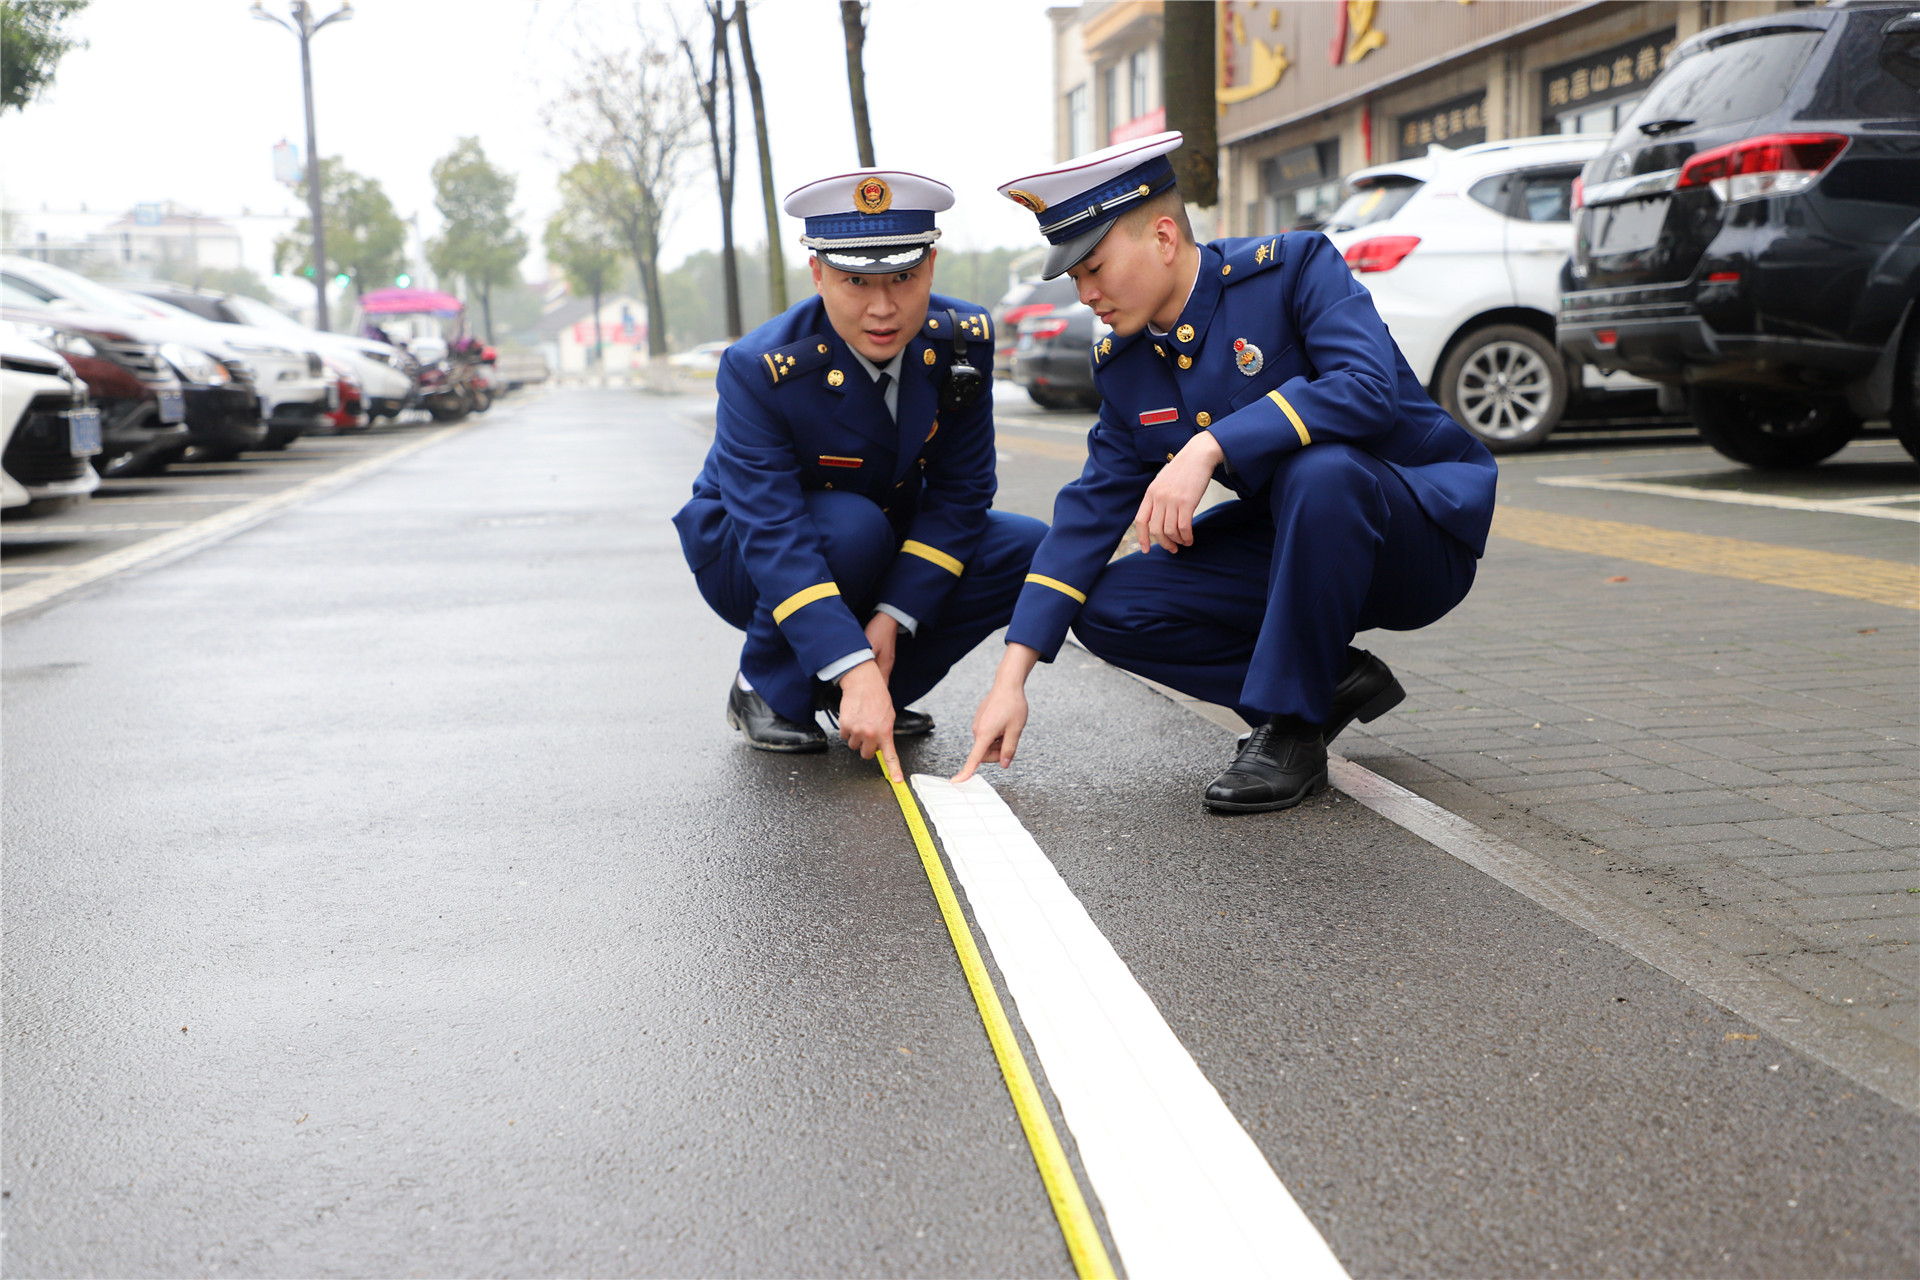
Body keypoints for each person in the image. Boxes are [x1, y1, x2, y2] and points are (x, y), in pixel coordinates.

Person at [957, 132, 1497, 813]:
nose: (1085, 293)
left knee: (1320, 470)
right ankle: (1325, 683)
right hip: (1298, 548)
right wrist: (1012, 678)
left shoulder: (1294, 270)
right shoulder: (1127, 364)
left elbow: (1366, 388)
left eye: (1094, 266)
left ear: (1161, 236)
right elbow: (1089, 514)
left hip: (1413, 537)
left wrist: (1207, 449)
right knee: (1107, 606)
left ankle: (1292, 728)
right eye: (1074, 278)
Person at [673, 168, 1046, 781]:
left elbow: (963, 493)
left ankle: (875, 692)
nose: (882, 308)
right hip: (748, 553)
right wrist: (852, 663)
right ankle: (764, 687)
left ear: (931, 264)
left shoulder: (961, 343)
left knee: (1024, 545)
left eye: (903, 278)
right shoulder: (760, 368)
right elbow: (771, 529)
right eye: (855, 282)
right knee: (852, 526)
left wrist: (893, 615)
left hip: (876, 540)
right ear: (818, 274)